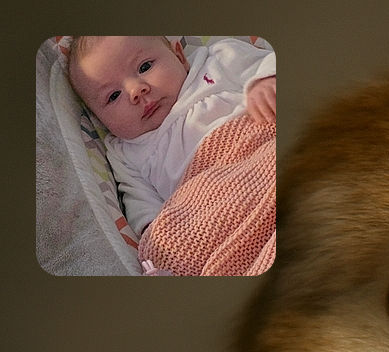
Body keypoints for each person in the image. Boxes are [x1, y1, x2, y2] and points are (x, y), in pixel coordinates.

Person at [66, 35, 276, 235]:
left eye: (145, 67)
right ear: (100, 119)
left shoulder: (216, 61)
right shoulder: (126, 152)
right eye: (113, 96)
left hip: (262, 155)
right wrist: (155, 233)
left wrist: (264, 82)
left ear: (179, 56)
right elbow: (142, 206)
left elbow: (269, 62)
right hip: (214, 215)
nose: (135, 90)